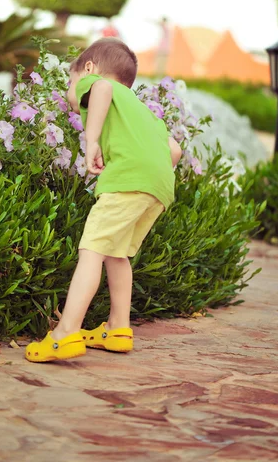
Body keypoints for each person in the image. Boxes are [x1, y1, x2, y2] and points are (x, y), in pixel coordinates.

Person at [26, 38, 182, 363]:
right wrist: (149, 174)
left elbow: (100, 91)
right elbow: (174, 150)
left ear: (89, 69)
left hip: (128, 181)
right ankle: (118, 328)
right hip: (159, 187)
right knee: (117, 254)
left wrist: (91, 140)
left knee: (92, 249)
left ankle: (66, 332)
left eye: (72, 82)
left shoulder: (97, 84)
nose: (74, 92)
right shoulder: (139, 109)